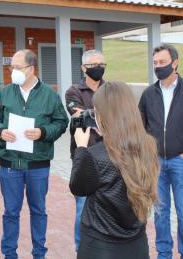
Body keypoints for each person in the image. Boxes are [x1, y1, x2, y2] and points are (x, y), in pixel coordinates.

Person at [0, 49, 69, 259]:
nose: (12, 71)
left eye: (16, 67)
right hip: (10, 164)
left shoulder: (50, 95)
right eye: (11, 67)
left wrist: (43, 132)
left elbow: (61, 122)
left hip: (38, 165)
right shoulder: (5, 92)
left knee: (39, 212)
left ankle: (39, 253)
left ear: (31, 69)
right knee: (10, 213)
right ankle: (9, 254)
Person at [70, 81, 160, 259]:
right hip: (137, 245)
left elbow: (78, 187)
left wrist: (81, 147)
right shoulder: (148, 146)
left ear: (104, 116)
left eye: (96, 112)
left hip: (100, 246)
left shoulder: (94, 156)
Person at [139, 44, 183, 259]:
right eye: (155, 63)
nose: (158, 67)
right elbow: (141, 126)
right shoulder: (148, 94)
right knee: (161, 214)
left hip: (182, 162)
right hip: (157, 164)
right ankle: (164, 253)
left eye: (162, 62)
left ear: (175, 62)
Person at [65, 49, 106, 252]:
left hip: (109, 156)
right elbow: (78, 117)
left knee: (106, 206)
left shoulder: (110, 89)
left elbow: (117, 115)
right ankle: (81, 250)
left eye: (102, 64)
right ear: (83, 68)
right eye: (93, 65)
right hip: (85, 156)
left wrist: (91, 116)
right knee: (82, 208)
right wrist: (102, 116)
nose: (99, 68)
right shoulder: (74, 91)